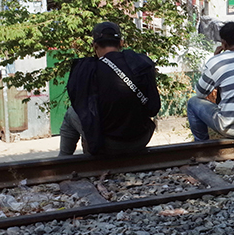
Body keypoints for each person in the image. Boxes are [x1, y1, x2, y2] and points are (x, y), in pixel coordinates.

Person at [59, 21, 160, 155]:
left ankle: (63, 159)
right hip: (141, 139)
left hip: (109, 145)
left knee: (71, 113)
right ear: (121, 43)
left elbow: (82, 106)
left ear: (94, 45)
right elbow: (153, 108)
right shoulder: (139, 63)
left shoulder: (89, 70)